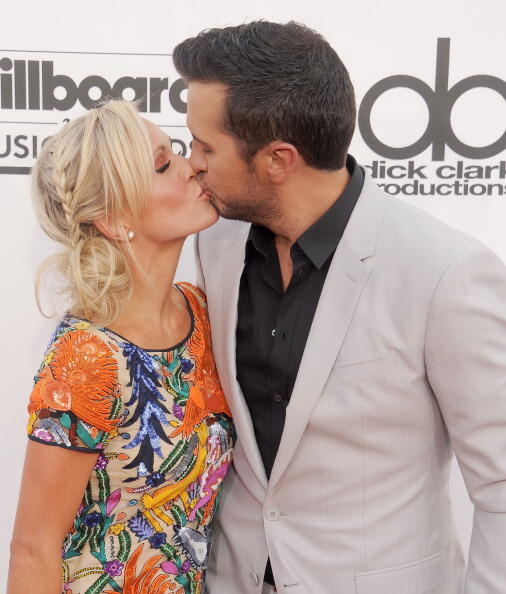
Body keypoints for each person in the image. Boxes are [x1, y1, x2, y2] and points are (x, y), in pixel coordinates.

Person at [173, 20, 506, 594]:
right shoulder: (214, 242)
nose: (191, 163)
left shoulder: (444, 271)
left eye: (206, 147)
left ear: (278, 159)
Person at [7, 100, 234, 594]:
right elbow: (33, 549)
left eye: (177, 152)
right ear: (113, 219)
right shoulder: (86, 357)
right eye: (162, 164)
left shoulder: (201, 313)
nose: (191, 166)